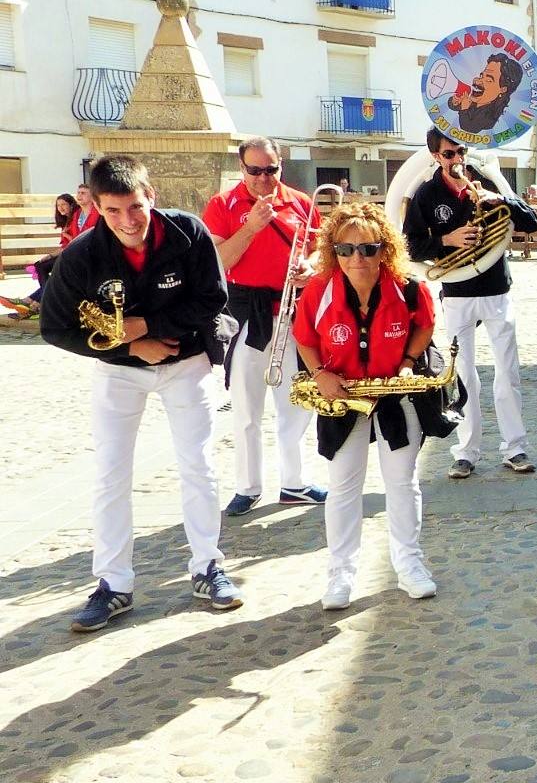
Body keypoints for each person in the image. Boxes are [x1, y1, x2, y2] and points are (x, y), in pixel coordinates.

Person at [40, 155, 239, 632]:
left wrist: (148, 325)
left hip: (187, 362)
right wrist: (133, 343)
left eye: (134, 206)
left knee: (199, 465)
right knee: (110, 475)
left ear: (151, 195)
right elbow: (53, 327)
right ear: (97, 207)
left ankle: (207, 566)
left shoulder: (187, 232)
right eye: (113, 211)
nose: (127, 221)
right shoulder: (81, 255)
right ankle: (113, 584)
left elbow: (213, 298)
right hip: (119, 371)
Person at [292, 201, 442, 608]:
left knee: (402, 482)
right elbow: (303, 336)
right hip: (342, 397)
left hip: (394, 394)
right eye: (345, 249)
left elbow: (425, 323)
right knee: (343, 487)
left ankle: (409, 564)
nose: (356, 258)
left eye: (368, 248)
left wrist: (409, 363)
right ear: (332, 251)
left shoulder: (408, 287)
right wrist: (320, 373)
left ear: (384, 249)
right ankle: (340, 575)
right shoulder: (319, 291)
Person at [403, 128, 537, 479]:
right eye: (449, 154)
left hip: (495, 289)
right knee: (463, 375)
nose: (458, 160)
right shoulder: (426, 195)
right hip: (457, 292)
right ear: (436, 156)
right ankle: (466, 451)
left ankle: (516, 446)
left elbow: (532, 224)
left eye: (461, 151)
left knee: (507, 372)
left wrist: (504, 201)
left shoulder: (485, 182)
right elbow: (411, 247)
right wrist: (446, 239)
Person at [202, 137, 327, 517]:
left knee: (296, 403)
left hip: (292, 311)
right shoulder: (222, 205)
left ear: (280, 166)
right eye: (254, 170)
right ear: (242, 169)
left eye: (270, 169)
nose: (263, 177)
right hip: (245, 312)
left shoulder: (301, 202)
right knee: (246, 407)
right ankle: (248, 486)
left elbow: (318, 249)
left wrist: (313, 266)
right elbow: (218, 261)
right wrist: (251, 228)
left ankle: (294, 483)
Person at [0, 190, 86, 319]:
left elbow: (74, 241)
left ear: (71, 204)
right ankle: (31, 302)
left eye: (63, 204)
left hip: (75, 255)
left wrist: (53, 254)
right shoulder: (66, 221)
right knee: (41, 266)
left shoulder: (76, 217)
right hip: (69, 252)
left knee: (43, 268)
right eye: (58, 205)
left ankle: (35, 303)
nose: (60, 208)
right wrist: (50, 255)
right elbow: (65, 245)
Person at [447, 52, 521, 134]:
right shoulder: (476, 100)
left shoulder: (489, 115)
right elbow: (455, 106)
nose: (477, 81)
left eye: (489, 79)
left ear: (503, 89)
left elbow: (468, 128)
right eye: (482, 76)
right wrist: (454, 102)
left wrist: (464, 109)